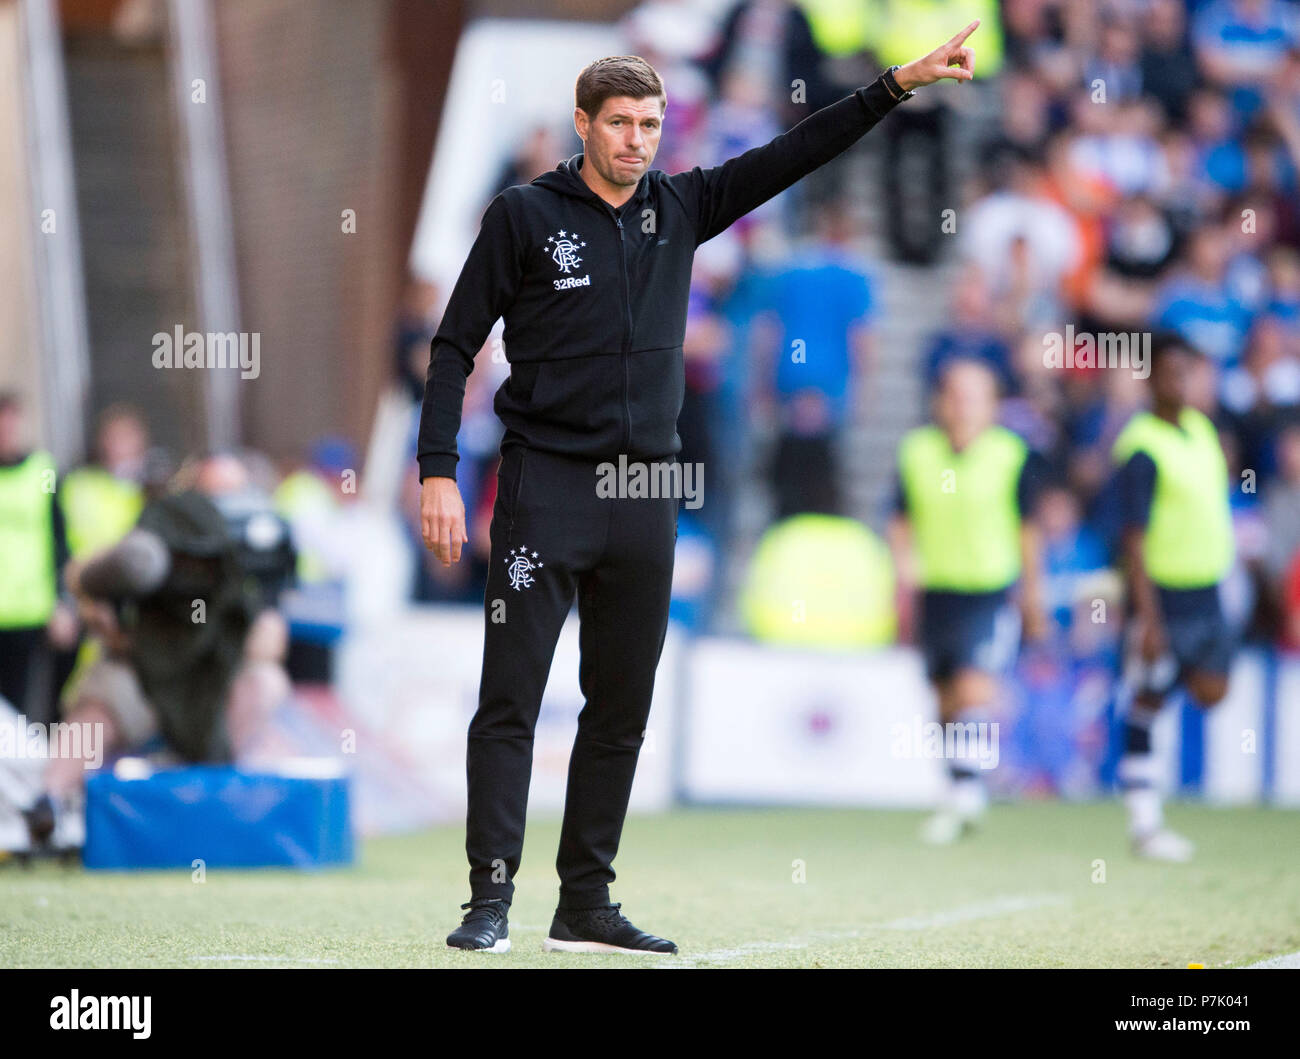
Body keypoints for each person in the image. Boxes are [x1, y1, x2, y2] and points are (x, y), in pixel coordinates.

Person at [420, 28, 981, 955]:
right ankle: (490, 896)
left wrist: (896, 85)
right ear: (582, 123)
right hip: (543, 484)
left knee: (622, 705)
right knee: (510, 699)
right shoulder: (522, 215)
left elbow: (798, 150)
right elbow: (451, 347)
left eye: (650, 123)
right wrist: (439, 469)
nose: (637, 140)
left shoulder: (681, 206)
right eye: (620, 123)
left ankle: (585, 902)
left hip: (646, 489)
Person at [888, 359, 1048, 844]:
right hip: (936, 592)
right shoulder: (916, 452)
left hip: (990, 590)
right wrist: (902, 570)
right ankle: (959, 788)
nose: (962, 407)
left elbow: (1028, 532)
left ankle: (967, 794)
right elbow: (899, 518)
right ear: (940, 401)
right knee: (944, 699)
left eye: (974, 396)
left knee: (973, 689)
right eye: (954, 395)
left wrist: (1033, 597)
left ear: (992, 406)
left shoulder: (1010, 455)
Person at [1111, 332, 1238, 861]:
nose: (1178, 382)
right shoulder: (1141, 448)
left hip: (1208, 591)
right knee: (1148, 701)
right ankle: (1145, 822)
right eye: (1168, 373)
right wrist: (1148, 618)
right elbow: (1133, 541)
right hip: (1164, 594)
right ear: (1149, 380)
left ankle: (1161, 678)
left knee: (1212, 690)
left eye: (1185, 372)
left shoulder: (1202, 430)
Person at [0, 392, 75, 725]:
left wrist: (62, 601)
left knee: (30, 711)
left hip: (32, 612)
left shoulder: (41, 471)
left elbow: (60, 541)